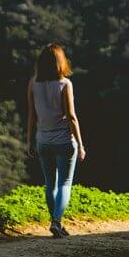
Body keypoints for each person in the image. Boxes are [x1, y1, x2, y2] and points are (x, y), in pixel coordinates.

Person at [26, 43, 86, 238]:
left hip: (42, 141)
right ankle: (57, 221)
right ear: (60, 62)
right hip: (64, 141)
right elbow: (72, 117)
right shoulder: (65, 84)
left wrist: (29, 142)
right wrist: (81, 145)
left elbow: (31, 116)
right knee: (65, 183)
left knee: (49, 183)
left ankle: (56, 223)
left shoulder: (33, 83)